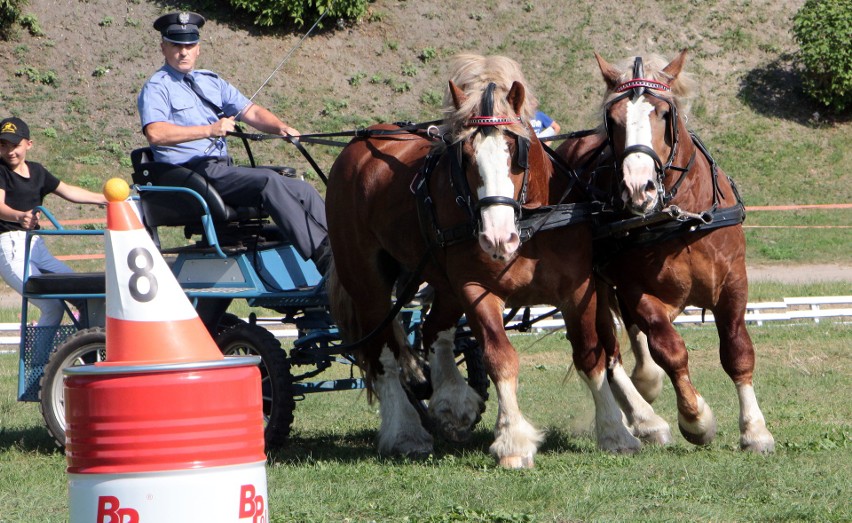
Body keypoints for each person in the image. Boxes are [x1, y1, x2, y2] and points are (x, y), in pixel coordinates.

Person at [137, 11, 330, 275]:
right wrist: (209, 129)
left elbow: (250, 111)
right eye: (176, 45)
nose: (183, 52)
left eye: (189, 45)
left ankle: (343, 248)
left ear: (198, 49)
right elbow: (156, 134)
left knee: (301, 188)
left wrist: (280, 127)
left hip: (219, 170)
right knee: (267, 181)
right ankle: (325, 260)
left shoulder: (210, 81)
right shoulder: (157, 87)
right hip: (190, 174)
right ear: (163, 47)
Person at [0, 116, 108, 329]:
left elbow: (67, 191)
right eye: (3, 145)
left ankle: (87, 351)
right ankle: (38, 363)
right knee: (52, 307)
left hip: (36, 246)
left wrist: (103, 199)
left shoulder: (38, 171)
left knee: (85, 295)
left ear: (29, 144)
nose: (10, 151)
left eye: (15, 145)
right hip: (11, 247)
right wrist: (20, 216)